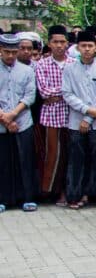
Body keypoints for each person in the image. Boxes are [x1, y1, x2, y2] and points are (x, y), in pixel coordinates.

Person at [62, 30, 96, 209]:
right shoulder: (69, 69)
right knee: (76, 159)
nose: (86, 49)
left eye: (90, 46)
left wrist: (89, 118)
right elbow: (67, 94)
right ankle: (74, 196)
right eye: (83, 46)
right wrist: (86, 111)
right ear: (77, 48)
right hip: (76, 122)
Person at [35, 25, 73, 205]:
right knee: (53, 154)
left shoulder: (74, 63)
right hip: (51, 117)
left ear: (67, 43)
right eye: (55, 42)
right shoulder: (41, 64)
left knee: (70, 155)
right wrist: (66, 93)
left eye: (62, 42)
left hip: (73, 116)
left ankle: (66, 191)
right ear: (49, 43)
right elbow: (44, 92)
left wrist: (60, 94)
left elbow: (76, 91)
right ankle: (49, 191)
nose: (59, 45)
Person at [0, 34, 39, 213]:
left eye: (13, 52)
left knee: (25, 160)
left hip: (23, 121)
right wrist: (5, 119)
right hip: (1, 122)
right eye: (6, 52)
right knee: (3, 161)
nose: (10, 56)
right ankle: (3, 199)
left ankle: (27, 198)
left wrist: (13, 115)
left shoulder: (27, 70)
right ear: (0, 50)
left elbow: (30, 96)